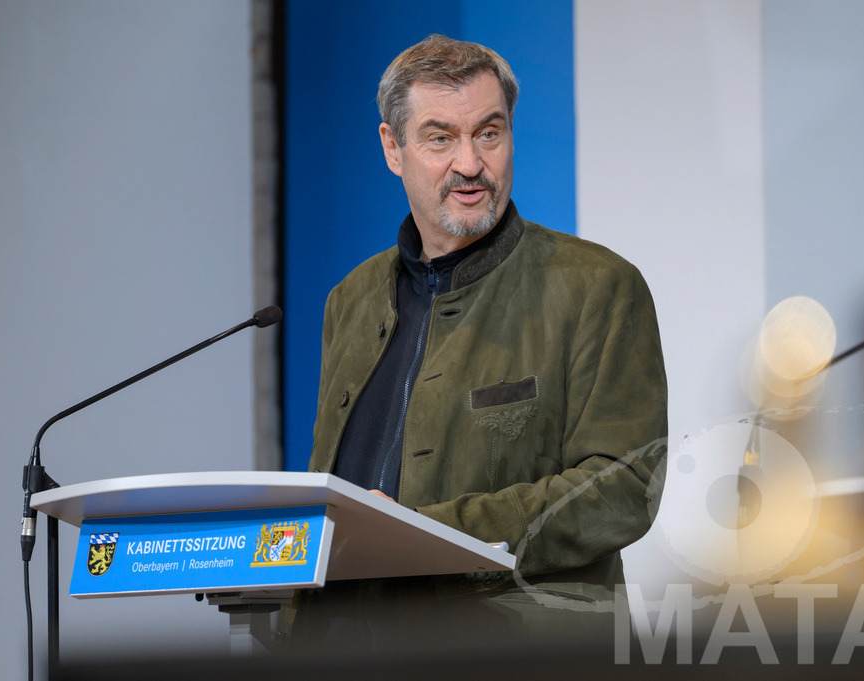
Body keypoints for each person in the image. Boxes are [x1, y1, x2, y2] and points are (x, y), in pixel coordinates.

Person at [282, 34, 667, 655]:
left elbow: (623, 487)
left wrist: (423, 536)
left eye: (488, 133)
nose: (469, 162)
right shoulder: (348, 301)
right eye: (440, 138)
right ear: (392, 148)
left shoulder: (598, 287)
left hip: (511, 653)